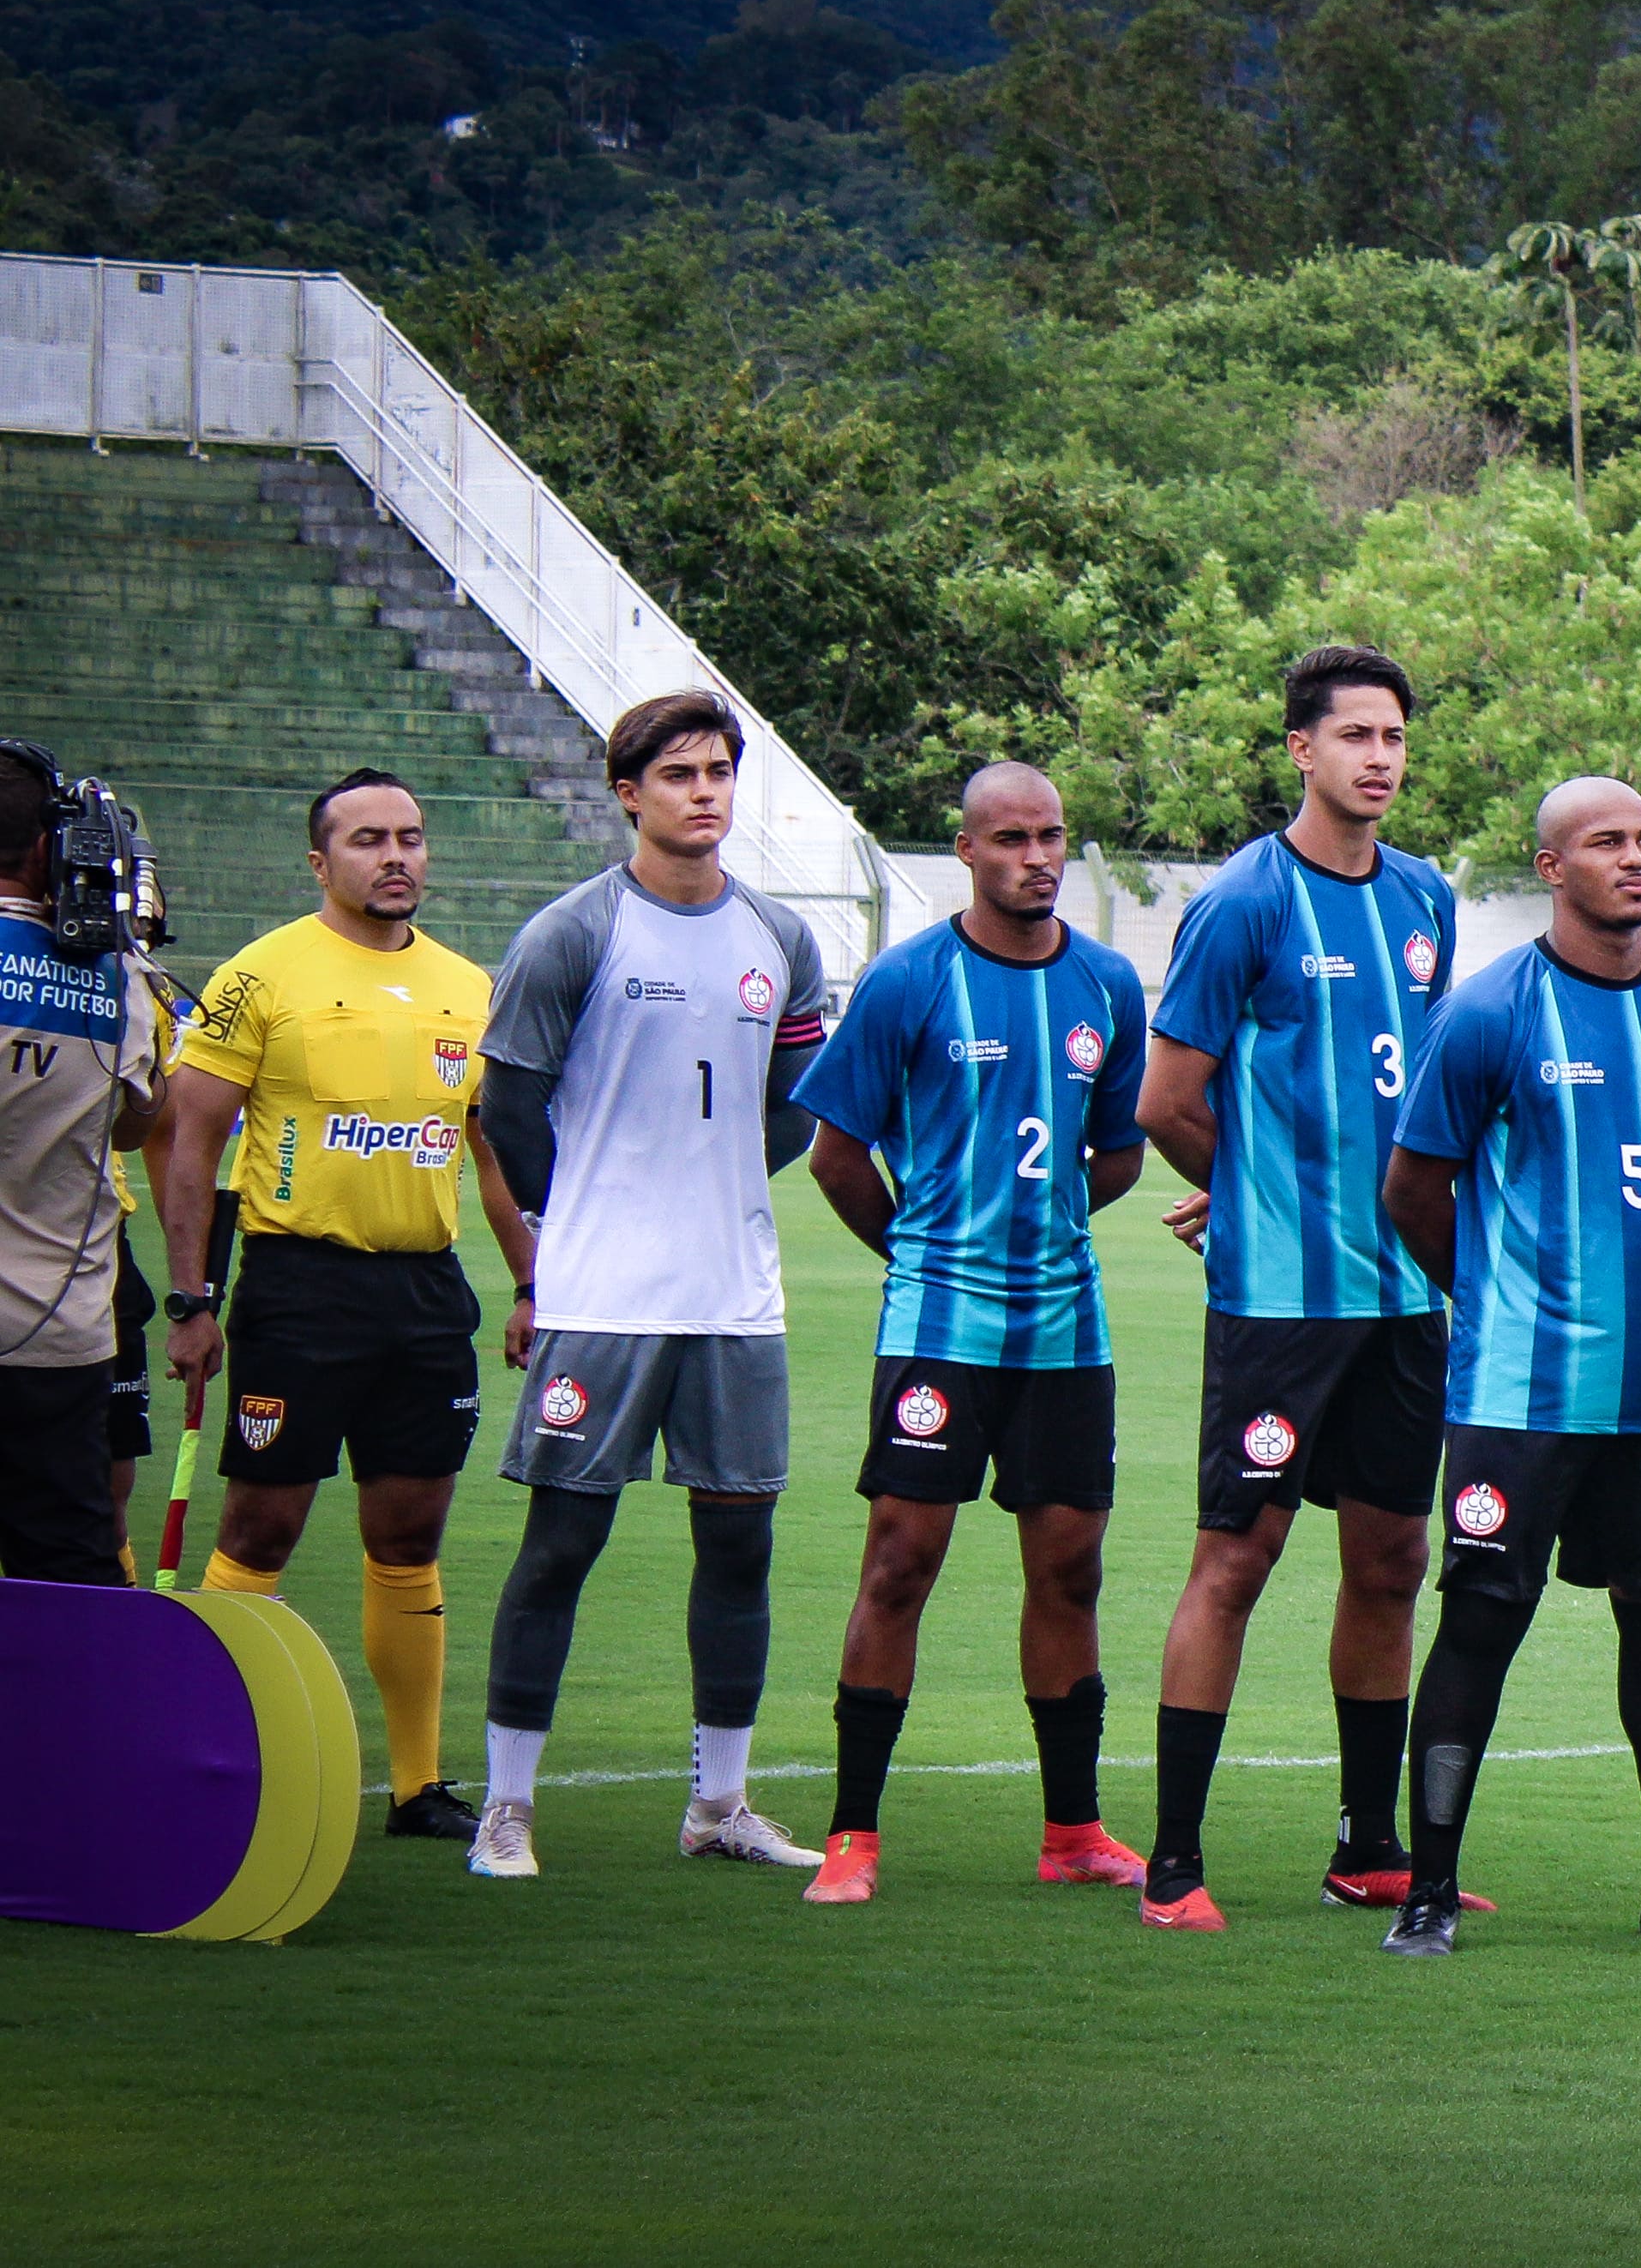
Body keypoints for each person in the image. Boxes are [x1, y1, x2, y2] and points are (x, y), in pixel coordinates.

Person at [1373, 776, 1641, 1958]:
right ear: (1550, 866)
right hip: (1519, 1395)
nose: (1634, 859)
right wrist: (1499, 1302)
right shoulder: (1487, 1011)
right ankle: (1429, 1888)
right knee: (1481, 1622)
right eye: (1605, 842)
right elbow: (1411, 1189)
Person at [469, 693, 831, 1879]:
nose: (704, 792)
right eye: (679, 774)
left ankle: (719, 1805)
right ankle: (507, 1809)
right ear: (629, 794)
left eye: (719, 771)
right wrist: (584, 1215)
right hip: (604, 1301)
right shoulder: (570, 933)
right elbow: (510, 1110)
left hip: (735, 1299)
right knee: (561, 1544)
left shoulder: (780, 936)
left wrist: (713, 1181)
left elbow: (793, 1108)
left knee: (739, 1550)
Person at [1132, 646, 1464, 1932]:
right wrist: (1255, 1188)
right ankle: (1172, 1863)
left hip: (1403, 1298)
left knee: (1391, 1557)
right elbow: (1168, 1098)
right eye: (1355, 735)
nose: (1379, 757)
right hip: (1280, 1300)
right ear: (1301, 750)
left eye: (1394, 737)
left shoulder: (1425, 898)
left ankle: (1368, 1846)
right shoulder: (1243, 903)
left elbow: (1417, 1091)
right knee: (1238, 1555)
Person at [790, 765, 1155, 1904]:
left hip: (1065, 1329)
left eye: (1051, 835)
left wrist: (1043, 1223)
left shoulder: (1107, 983)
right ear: (967, 850)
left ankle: (1074, 1831)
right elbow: (835, 1156)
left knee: (1070, 1570)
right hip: (939, 1327)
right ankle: (853, 1837)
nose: (1037, 856)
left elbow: (1119, 1151)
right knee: (900, 1562)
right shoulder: (909, 979)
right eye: (1011, 838)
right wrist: (922, 1250)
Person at [155, 771, 533, 1841]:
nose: (396, 855)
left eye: (411, 835)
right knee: (262, 1524)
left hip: (425, 1293)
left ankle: (418, 1784)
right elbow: (190, 1140)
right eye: (369, 839)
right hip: (298, 1286)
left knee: (410, 1531)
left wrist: (531, 1284)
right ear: (321, 862)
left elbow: (491, 1153)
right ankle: (211, 1760)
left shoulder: (469, 986)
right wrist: (190, 1297)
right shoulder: (259, 974)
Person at [0, 743, 163, 1583]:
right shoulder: (115, 978)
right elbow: (137, 1122)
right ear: (51, 847)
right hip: (55, 1337)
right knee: (66, 1580)